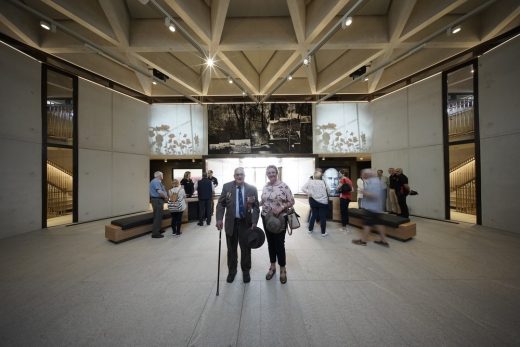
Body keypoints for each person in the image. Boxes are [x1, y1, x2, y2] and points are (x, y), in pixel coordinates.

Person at [216, 167, 259, 284]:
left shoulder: (251, 189)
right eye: (237, 174)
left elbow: (256, 207)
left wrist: (254, 221)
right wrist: (219, 218)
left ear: (244, 176)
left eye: (241, 174)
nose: (239, 176)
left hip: (246, 224)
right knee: (231, 249)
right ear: (234, 176)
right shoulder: (227, 187)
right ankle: (232, 271)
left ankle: (246, 271)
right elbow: (221, 204)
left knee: (246, 249)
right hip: (231, 223)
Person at [260, 165, 295, 284]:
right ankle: (272, 266)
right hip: (266, 218)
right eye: (269, 173)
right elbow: (263, 201)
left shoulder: (283, 186)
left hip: (280, 219)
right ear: (267, 174)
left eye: (273, 172)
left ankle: (283, 269)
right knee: (270, 243)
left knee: (279, 244)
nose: (271, 174)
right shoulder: (265, 186)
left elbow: (292, 201)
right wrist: (254, 203)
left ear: (277, 173)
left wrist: (282, 207)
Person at [352, 169, 390, 247]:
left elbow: (375, 195)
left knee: (367, 224)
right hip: (376, 208)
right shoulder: (374, 181)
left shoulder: (374, 182)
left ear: (367, 174)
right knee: (379, 223)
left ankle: (363, 241)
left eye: (363, 174)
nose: (362, 175)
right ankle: (384, 241)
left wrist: (363, 192)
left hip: (371, 208)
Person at [302, 170, 329, 236]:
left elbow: (303, 188)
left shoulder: (310, 182)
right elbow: (329, 190)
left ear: (314, 176)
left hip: (313, 201)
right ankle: (323, 232)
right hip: (323, 201)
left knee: (313, 215)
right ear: (321, 177)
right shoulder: (323, 182)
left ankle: (310, 229)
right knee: (323, 217)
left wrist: (310, 193)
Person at [149, 171, 168, 239]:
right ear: (159, 176)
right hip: (157, 200)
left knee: (159, 215)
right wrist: (165, 197)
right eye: (162, 175)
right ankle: (155, 233)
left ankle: (159, 229)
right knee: (157, 216)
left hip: (158, 200)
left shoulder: (157, 181)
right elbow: (159, 192)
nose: (163, 176)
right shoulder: (156, 181)